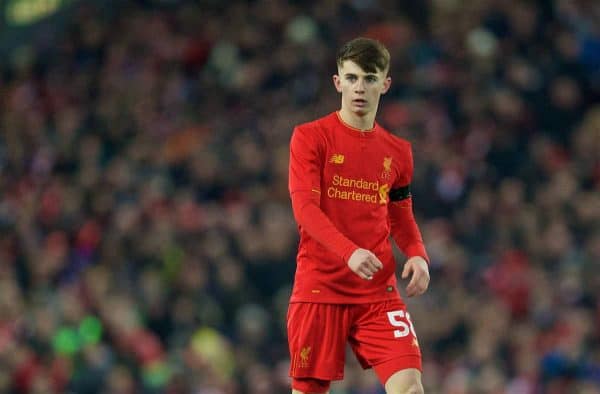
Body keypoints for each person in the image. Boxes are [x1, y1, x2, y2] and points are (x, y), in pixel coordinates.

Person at [287, 37, 431, 394]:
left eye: (369, 78)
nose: (359, 88)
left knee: (411, 388)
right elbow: (306, 210)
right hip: (320, 290)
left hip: (378, 294)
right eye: (351, 78)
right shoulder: (310, 138)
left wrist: (417, 254)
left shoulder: (398, 152)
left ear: (385, 83)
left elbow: (400, 217)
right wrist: (348, 251)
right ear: (337, 83)